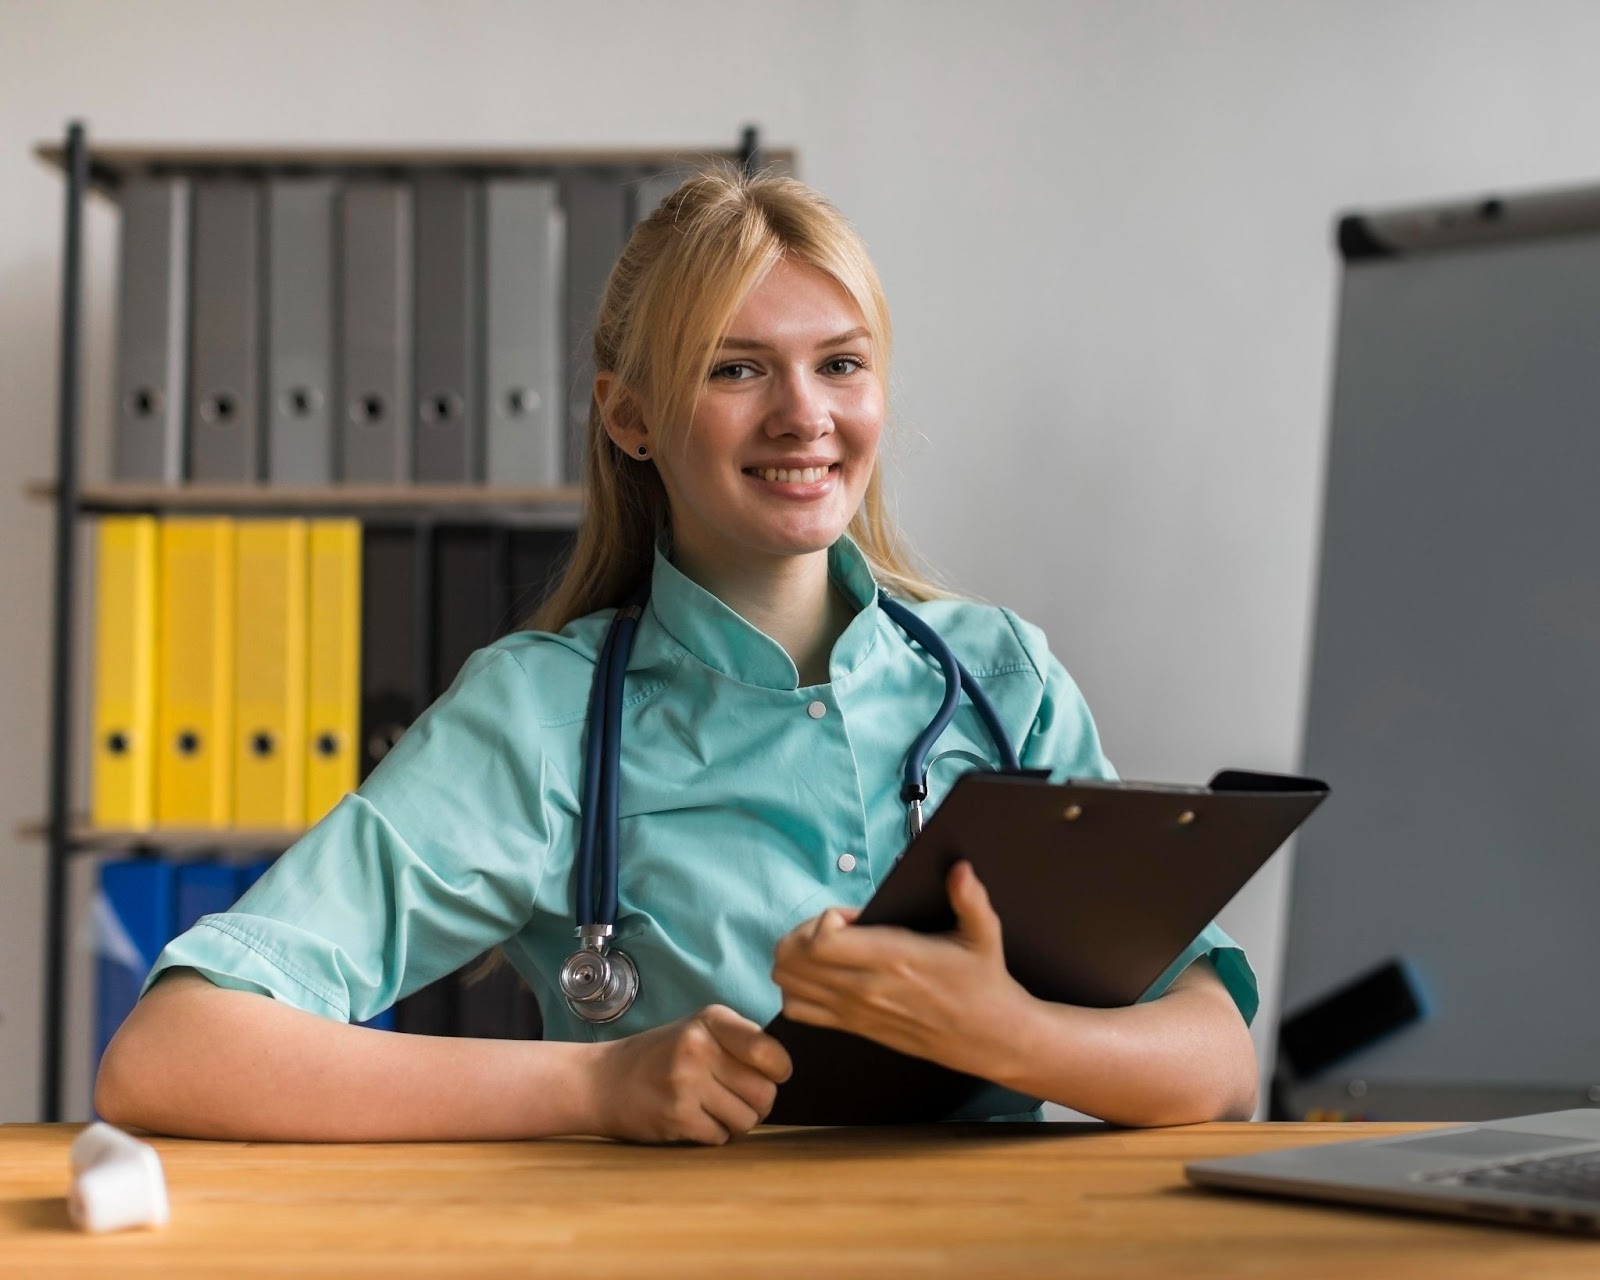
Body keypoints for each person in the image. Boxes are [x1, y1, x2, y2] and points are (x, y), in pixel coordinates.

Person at [96, 167, 1259, 1145]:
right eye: (735, 367)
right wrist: (593, 1084)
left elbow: (1213, 1058)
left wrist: (1006, 1033)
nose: (804, 415)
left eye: (840, 363)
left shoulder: (1003, 677)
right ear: (630, 415)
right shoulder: (540, 716)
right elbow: (171, 1055)